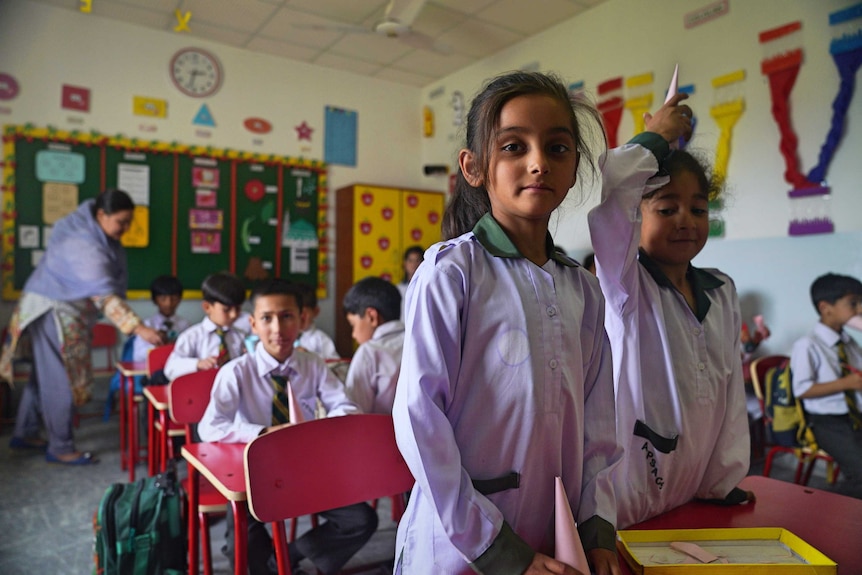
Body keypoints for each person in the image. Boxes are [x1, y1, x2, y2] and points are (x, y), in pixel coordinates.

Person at [393, 71, 621, 575]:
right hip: (464, 546)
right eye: (514, 146)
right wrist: (498, 550)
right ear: (474, 168)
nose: (538, 162)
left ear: (575, 166)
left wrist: (597, 525)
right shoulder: (451, 271)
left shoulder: (582, 288)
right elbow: (418, 420)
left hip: (554, 535)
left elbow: (599, 424)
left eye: (558, 147)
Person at [587, 95, 753, 529]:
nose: (686, 220)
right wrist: (656, 138)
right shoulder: (625, 287)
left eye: (698, 209)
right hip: (632, 490)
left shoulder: (722, 290)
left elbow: (731, 396)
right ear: (636, 218)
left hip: (696, 489)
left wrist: (721, 482)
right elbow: (615, 193)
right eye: (666, 208)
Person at [197, 278, 376, 575]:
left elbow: (345, 407)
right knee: (243, 541)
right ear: (253, 324)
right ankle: (269, 563)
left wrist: (322, 429)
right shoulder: (236, 372)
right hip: (253, 474)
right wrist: (263, 434)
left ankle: (287, 557)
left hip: (304, 468)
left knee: (360, 521)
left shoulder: (313, 364)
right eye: (267, 318)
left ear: (302, 320)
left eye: (287, 316)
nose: (277, 329)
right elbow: (210, 426)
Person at [0, 190, 164, 464]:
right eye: (121, 222)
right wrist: (139, 328)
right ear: (101, 215)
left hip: (51, 307)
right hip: (53, 311)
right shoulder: (84, 242)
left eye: (128, 222)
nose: (125, 229)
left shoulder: (95, 233)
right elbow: (104, 297)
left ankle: (25, 432)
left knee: (43, 376)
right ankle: (61, 447)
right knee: (60, 380)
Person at [790, 272, 862, 499]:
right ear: (826, 307)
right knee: (860, 474)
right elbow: (801, 390)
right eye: (853, 303)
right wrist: (846, 383)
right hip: (829, 423)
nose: (860, 309)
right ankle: (827, 509)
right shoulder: (808, 345)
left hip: (855, 418)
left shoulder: (849, 343)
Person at [163, 272, 246, 381]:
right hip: (201, 392)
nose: (234, 314)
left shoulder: (241, 336)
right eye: (226, 310)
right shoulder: (192, 336)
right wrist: (198, 364)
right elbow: (170, 368)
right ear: (207, 307)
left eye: (238, 309)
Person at [342, 276, 404, 414]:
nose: (353, 335)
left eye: (353, 325)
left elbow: (354, 411)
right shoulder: (417, 341)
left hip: (380, 433)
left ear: (371, 317)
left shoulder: (369, 352)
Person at [132, 275, 190, 362]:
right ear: (154, 300)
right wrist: (158, 349)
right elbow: (137, 357)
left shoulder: (185, 325)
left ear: (180, 299)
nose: (168, 303)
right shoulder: (146, 326)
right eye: (163, 299)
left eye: (174, 299)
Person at [294, 282, 339, 360]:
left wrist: (310, 355)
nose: (300, 317)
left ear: (315, 312)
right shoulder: (283, 337)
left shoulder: (321, 339)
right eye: (294, 313)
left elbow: (336, 364)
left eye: (304, 313)